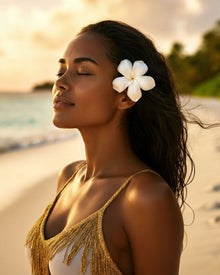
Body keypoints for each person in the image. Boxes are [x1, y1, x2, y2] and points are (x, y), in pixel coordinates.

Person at [26, 20, 190, 275]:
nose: (61, 82)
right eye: (61, 71)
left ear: (125, 96)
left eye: (83, 72)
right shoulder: (69, 177)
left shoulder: (145, 196)